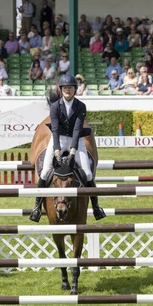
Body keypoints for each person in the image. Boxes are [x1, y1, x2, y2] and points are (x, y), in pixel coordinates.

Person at [29, 74, 105, 223]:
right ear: (61, 90)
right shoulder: (55, 106)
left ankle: (96, 206)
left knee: (88, 173)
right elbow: (55, 130)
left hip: (77, 141)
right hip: (58, 139)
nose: (67, 90)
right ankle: (37, 207)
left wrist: (73, 151)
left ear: (74, 90)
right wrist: (57, 150)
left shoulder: (81, 106)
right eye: (65, 88)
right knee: (44, 172)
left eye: (70, 88)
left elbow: (77, 130)